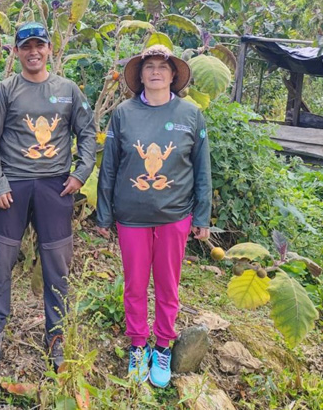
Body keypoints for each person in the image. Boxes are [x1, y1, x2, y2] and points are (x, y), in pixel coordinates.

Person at [0, 21, 96, 370]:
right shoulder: (5, 90)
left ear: (49, 49)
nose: (33, 52)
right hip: (12, 187)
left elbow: (88, 133)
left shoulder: (68, 90)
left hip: (54, 187)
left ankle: (56, 334)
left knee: (56, 265)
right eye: (26, 46)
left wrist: (80, 173)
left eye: (39, 46)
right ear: (16, 52)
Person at [95, 44, 211, 388]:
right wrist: (104, 215)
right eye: (150, 67)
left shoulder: (191, 115)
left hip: (174, 216)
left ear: (174, 75)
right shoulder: (124, 114)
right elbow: (110, 168)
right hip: (131, 216)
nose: (156, 72)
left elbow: (202, 169)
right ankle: (137, 345)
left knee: (167, 284)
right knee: (133, 285)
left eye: (163, 67)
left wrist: (201, 215)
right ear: (140, 75)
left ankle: (162, 345)